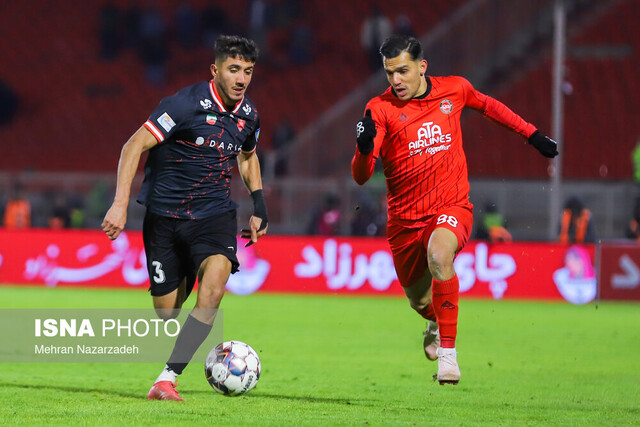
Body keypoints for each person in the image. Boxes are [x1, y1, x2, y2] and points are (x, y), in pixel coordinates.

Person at [351, 35, 558, 385]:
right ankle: (435, 321)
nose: (396, 80)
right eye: (389, 73)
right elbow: (361, 176)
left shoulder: (454, 90)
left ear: (422, 67)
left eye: (402, 71)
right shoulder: (380, 108)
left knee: (439, 255)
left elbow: (490, 107)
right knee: (419, 302)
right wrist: (364, 146)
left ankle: (448, 356)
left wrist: (532, 134)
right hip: (404, 221)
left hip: (452, 207)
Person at [101, 35, 268, 401]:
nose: (241, 79)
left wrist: (259, 205)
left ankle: (167, 379)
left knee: (215, 288)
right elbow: (133, 145)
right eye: (234, 69)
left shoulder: (249, 115)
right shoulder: (184, 104)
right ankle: (192, 267)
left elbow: (247, 156)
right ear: (215, 70)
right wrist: (119, 204)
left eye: (248, 71)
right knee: (167, 313)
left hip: (214, 214)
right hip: (164, 216)